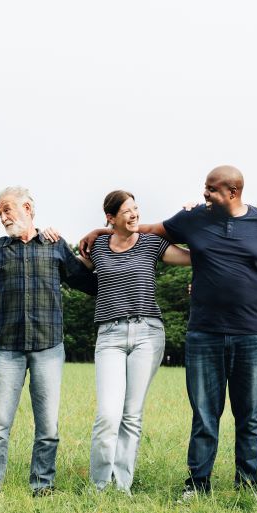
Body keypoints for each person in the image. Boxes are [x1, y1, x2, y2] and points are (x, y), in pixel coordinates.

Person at [81, 166, 257, 499]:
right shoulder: (193, 219)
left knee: (249, 415)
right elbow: (146, 229)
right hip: (203, 333)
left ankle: (248, 484)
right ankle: (198, 484)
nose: (204, 193)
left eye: (211, 189)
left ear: (232, 192)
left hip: (250, 333)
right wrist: (101, 229)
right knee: (205, 415)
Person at [0, 186, 97, 496]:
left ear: (27, 208)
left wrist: (104, 254)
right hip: (7, 347)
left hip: (48, 346)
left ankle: (42, 485)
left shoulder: (55, 246)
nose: (3, 217)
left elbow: (86, 281)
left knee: (47, 427)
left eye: (7, 210)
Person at [79, 190, 191, 494]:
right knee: (107, 415)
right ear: (111, 217)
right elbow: (73, 270)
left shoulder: (152, 243)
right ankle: (100, 486)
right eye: (126, 211)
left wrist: (193, 219)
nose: (134, 214)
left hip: (148, 333)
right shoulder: (98, 245)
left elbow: (192, 257)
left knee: (131, 414)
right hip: (110, 336)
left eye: (136, 209)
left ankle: (122, 485)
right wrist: (95, 233)